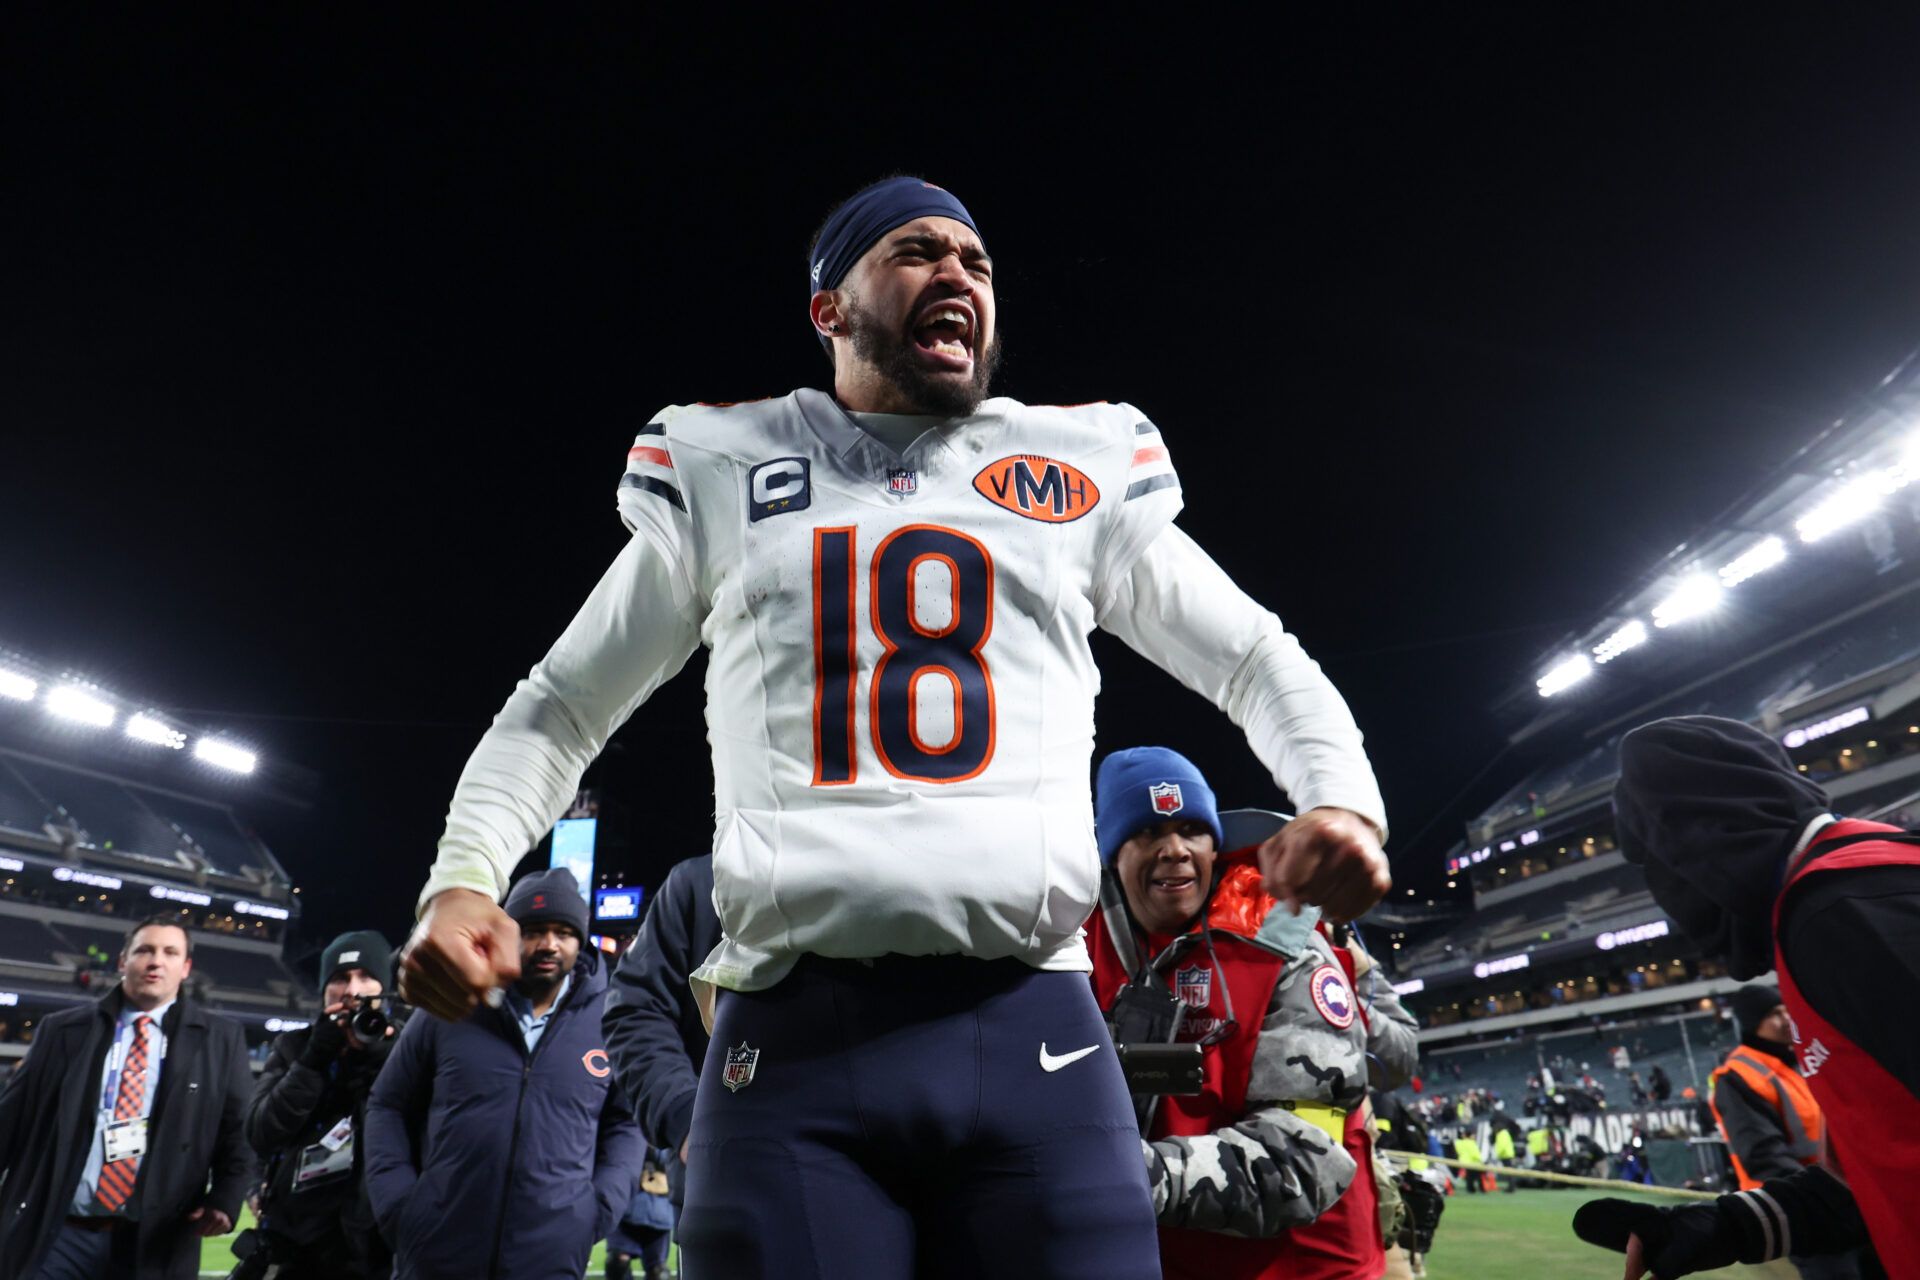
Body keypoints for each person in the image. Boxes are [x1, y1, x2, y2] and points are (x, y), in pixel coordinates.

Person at [395, 175, 1393, 1278]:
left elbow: (1256, 655)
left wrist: (1342, 794)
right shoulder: (732, 464)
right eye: (917, 251)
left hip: (1037, 1029)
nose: (960, 273)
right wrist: (464, 873)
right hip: (794, 1044)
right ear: (830, 307)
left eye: (978, 261)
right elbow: (561, 703)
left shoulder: (1074, 463)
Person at [1574, 716, 1916, 1278]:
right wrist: (1726, 1227)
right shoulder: (1848, 887)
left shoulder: (1841, 909)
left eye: (1659, 863)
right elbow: (1878, 1164)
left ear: (1701, 832)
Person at [1086, 748, 1379, 1280]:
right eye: (1148, 833)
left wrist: (1116, 1177)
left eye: (1192, 830)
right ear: (1110, 854)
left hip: (1303, 1268)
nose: (1175, 850)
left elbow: (1303, 1159)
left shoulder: (1284, 940)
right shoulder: (1074, 947)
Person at [364, 870, 643, 1280]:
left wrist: (597, 1209)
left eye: (563, 932)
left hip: (551, 1254)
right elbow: (386, 1104)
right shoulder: (450, 1005)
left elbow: (627, 1121)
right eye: (533, 931)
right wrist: (399, 1204)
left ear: (580, 941)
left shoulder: (609, 1021)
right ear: (508, 935)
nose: (549, 944)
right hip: (438, 1248)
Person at [0, 914, 255, 1280]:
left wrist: (227, 1198)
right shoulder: (62, 1031)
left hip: (153, 1240)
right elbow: (10, 1118)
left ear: (185, 968)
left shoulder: (219, 1039)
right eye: (145, 950)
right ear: (123, 961)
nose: (156, 961)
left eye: (170, 952)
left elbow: (238, 1131)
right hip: (60, 1233)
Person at [242, 930, 401, 1279]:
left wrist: (381, 1061)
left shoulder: (404, 1047)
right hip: (299, 1243)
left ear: (384, 988)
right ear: (324, 989)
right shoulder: (295, 1047)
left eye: (366, 977)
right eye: (340, 978)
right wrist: (313, 1059)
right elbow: (260, 1131)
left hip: (376, 1248)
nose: (352, 990)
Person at [1707, 984, 1862, 1280]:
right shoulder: (1738, 1076)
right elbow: (1763, 1156)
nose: (1786, 1018)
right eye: (1774, 1014)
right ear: (1754, 1024)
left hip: (1840, 1195)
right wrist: (1826, 1196)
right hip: (1805, 1205)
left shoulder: (1797, 1060)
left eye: (1785, 1009)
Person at [603, 854, 719, 1212]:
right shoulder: (700, 882)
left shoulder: (890, 865)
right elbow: (636, 1011)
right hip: (721, 1178)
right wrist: (684, 1115)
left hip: (881, 1171)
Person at [605, 1148, 676, 1280]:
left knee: (658, 1271)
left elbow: (672, 1156)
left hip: (660, 1211)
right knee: (618, 1264)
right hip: (625, 1206)